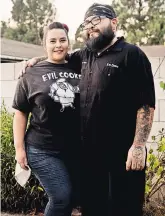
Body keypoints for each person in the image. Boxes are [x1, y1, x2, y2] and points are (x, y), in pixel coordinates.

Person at [21, 3, 155, 216]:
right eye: (86, 23)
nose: (90, 27)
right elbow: (58, 58)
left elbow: (146, 104)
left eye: (96, 21)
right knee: (93, 208)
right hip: (90, 157)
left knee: (124, 208)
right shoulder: (84, 56)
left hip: (123, 155)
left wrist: (138, 145)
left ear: (113, 22)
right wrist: (36, 61)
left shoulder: (132, 54)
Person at [13, 22, 82, 216]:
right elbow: (20, 112)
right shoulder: (31, 73)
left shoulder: (79, 66)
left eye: (62, 40)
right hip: (42, 149)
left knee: (73, 198)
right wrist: (19, 149)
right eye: (52, 41)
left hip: (74, 149)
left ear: (69, 43)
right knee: (61, 198)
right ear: (45, 44)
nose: (58, 45)